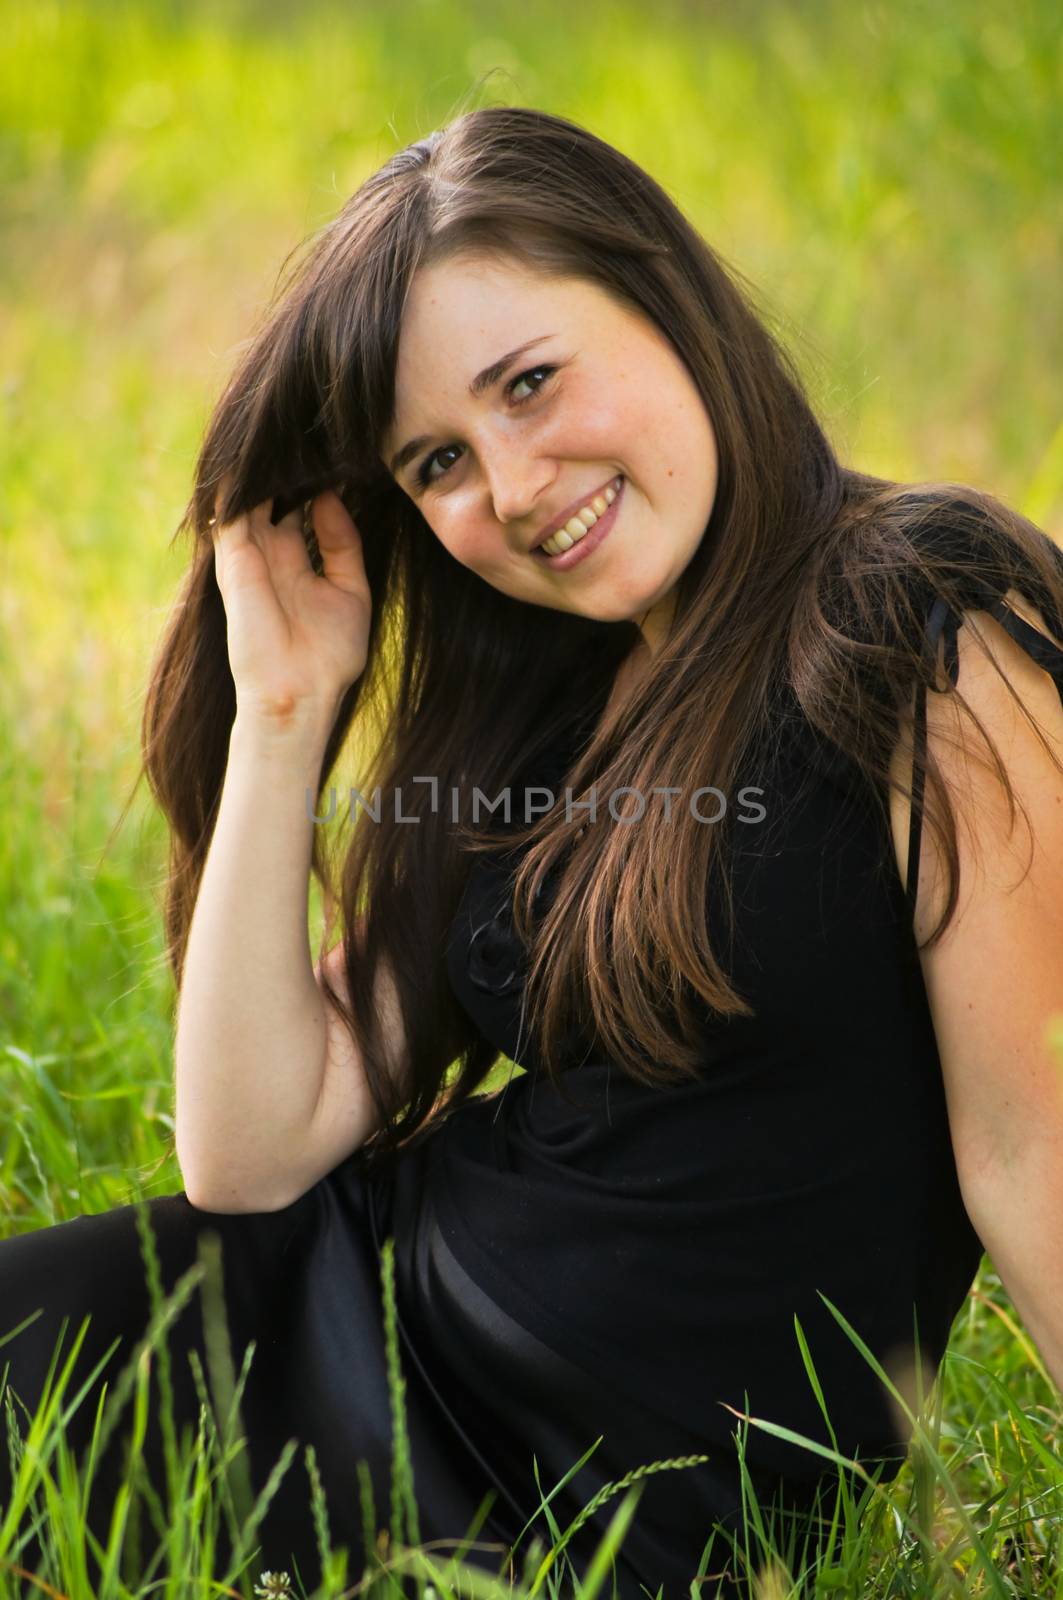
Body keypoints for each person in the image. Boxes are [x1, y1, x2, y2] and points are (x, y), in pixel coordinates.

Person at [3, 103, 1063, 1600]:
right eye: (436, 460)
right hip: (329, 1340)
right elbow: (249, 1156)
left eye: (532, 382)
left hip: (610, 1514)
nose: (505, 489)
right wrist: (285, 711)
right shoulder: (536, 704)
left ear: (664, 294)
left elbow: (1036, 1148)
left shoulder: (919, 615)